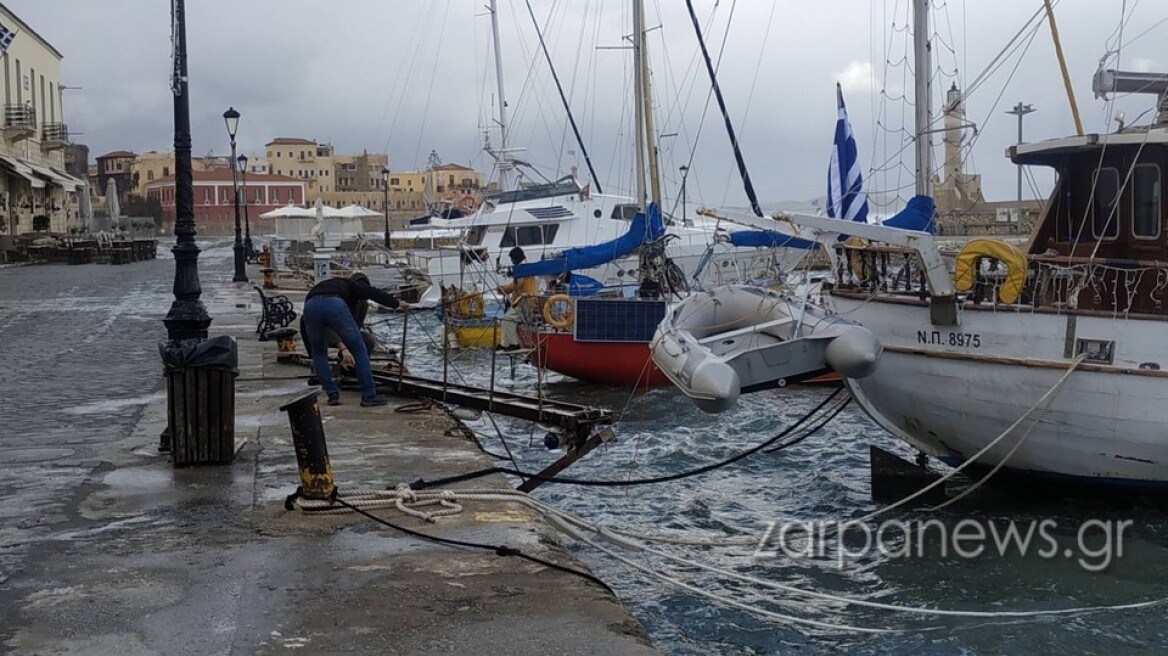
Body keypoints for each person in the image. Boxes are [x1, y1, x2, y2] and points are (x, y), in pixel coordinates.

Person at [302, 272, 409, 406]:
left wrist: (309, 349)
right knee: (359, 349)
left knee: (318, 352)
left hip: (310, 305)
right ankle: (369, 395)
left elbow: (303, 325)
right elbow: (374, 293)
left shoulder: (331, 285)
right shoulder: (354, 285)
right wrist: (396, 303)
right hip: (334, 304)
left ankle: (332, 393)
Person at [496, 246, 537, 352]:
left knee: (507, 319)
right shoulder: (527, 266)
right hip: (526, 302)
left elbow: (516, 285)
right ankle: (505, 344)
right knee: (506, 319)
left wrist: (502, 289)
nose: (512, 261)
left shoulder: (521, 269)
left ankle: (514, 344)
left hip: (523, 303)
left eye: (512, 259)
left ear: (515, 258)